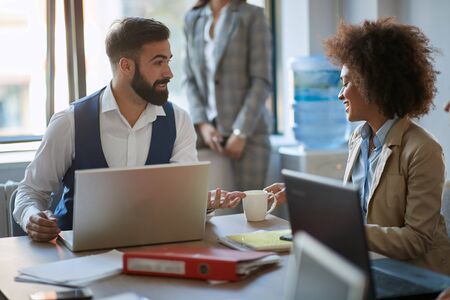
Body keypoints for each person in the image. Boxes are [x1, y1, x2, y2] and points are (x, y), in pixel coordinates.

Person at [13, 17, 243, 243]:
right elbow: (30, 191)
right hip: (76, 258)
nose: (169, 73)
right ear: (126, 66)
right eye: (158, 62)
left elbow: (182, 202)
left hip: (153, 250)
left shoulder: (179, 121)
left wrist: (203, 202)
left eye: (168, 61)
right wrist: (31, 216)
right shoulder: (69, 122)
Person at [266, 18, 450, 275]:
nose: (341, 94)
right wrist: (302, 197)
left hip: (415, 277)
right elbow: (356, 211)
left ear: (373, 84)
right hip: (370, 266)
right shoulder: (358, 138)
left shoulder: (424, 150)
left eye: (346, 82)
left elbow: (415, 241)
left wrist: (345, 229)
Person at [183, 0, 273, 191]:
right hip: (208, 130)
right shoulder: (193, 19)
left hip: (250, 133)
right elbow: (188, 79)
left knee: (250, 210)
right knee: (196, 205)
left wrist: (241, 132)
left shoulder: (252, 16)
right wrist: (203, 125)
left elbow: (261, 81)